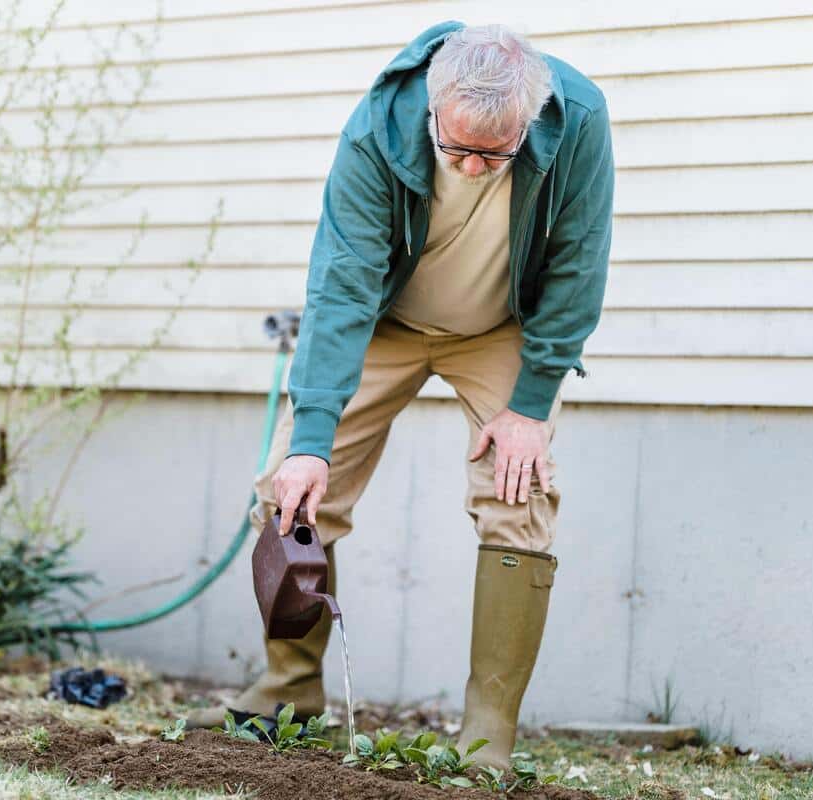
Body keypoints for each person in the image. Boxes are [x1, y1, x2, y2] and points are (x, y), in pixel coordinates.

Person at [188, 21, 614, 770]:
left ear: (531, 118)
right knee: (292, 486)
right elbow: (342, 283)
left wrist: (531, 402)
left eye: (496, 153)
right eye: (457, 150)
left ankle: (487, 738)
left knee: (519, 496)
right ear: (432, 106)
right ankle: (289, 691)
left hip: (502, 330)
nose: (475, 168)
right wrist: (313, 439)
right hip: (384, 320)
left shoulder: (577, 119)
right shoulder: (376, 132)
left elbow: (580, 261)